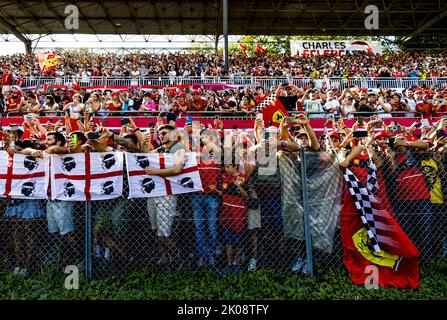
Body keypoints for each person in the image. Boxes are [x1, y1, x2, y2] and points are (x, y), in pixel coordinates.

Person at [144, 124, 186, 267]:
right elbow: (144, 154)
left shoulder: (179, 148)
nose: (161, 135)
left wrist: (154, 172)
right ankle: (163, 259)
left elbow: (177, 169)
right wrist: (145, 139)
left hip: (167, 194)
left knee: (165, 232)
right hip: (154, 193)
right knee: (156, 230)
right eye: (160, 133)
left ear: (173, 134)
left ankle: (177, 258)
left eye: (164, 133)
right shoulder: (162, 149)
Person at [215, 159, 249, 275]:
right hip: (226, 211)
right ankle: (229, 264)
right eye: (225, 166)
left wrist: (238, 186)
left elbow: (246, 195)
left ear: (235, 166)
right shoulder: (224, 177)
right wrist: (215, 190)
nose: (226, 169)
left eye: (229, 166)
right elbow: (223, 193)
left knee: (238, 239)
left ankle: (237, 263)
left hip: (238, 212)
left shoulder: (243, 177)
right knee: (228, 239)